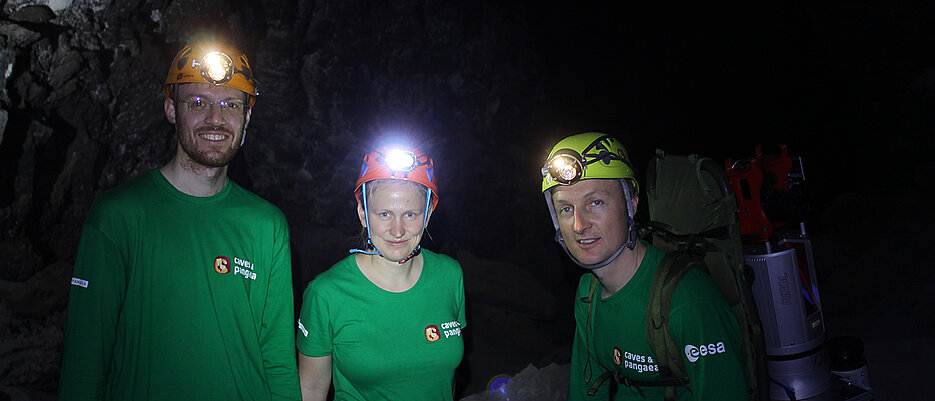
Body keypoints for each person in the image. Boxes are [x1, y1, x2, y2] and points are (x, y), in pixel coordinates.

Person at [58, 41, 301, 401]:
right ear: (172, 109)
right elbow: (84, 361)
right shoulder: (118, 216)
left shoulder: (267, 226)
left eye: (231, 105)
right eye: (198, 102)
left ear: (247, 117)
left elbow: (278, 361)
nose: (215, 119)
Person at [540, 132, 748, 400]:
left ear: (632, 204)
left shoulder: (689, 303)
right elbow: (586, 392)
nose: (579, 225)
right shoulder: (588, 293)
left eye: (595, 202)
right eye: (566, 209)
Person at [296, 146, 466, 401]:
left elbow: (445, 379)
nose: (397, 230)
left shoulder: (450, 275)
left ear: (428, 214)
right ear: (363, 214)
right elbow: (310, 389)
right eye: (384, 214)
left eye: (410, 214)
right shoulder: (326, 294)